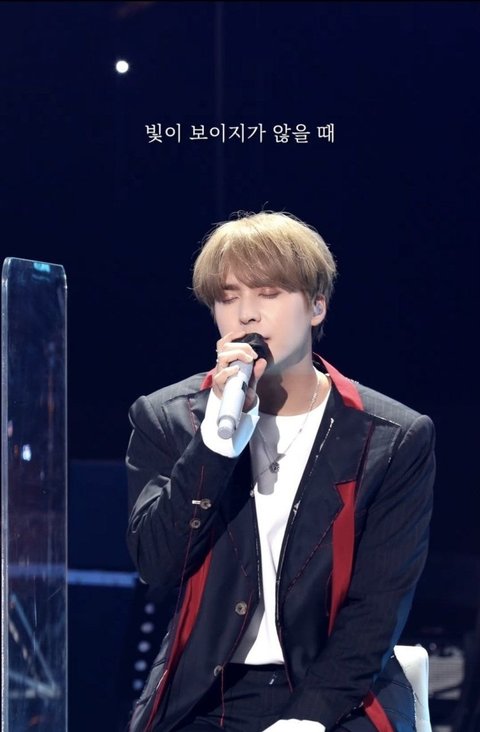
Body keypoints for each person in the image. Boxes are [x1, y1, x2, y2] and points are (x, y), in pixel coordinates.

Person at [125, 211, 435, 732]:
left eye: (268, 293)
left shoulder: (391, 437)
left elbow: (377, 609)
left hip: (339, 695)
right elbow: (157, 564)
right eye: (228, 297)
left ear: (316, 306)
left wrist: (308, 718)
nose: (246, 314)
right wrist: (213, 446)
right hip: (207, 696)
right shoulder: (169, 419)